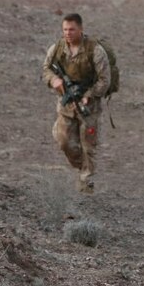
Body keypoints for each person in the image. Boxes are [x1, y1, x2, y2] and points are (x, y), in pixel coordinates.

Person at [42, 13, 111, 194]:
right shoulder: (57, 48)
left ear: (80, 29)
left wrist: (88, 94)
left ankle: (86, 185)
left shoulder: (95, 50)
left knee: (88, 145)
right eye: (65, 29)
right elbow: (46, 69)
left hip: (89, 107)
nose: (68, 33)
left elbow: (105, 80)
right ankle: (82, 168)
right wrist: (53, 80)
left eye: (72, 29)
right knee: (63, 141)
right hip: (66, 106)